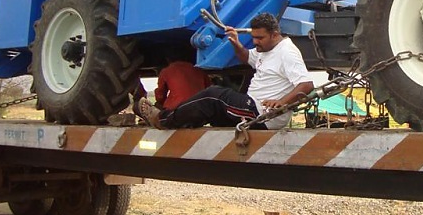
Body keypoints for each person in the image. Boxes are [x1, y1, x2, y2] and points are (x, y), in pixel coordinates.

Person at [135, 13, 314, 130]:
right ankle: (181, 123)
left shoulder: (287, 52)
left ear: (275, 35)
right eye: (253, 38)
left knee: (213, 96)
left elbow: (306, 85)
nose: (256, 42)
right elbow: (246, 57)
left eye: (260, 38)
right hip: (251, 108)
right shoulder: (265, 50)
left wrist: (282, 102)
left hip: (262, 114)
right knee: (211, 111)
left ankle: (162, 120)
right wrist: (236, 43)